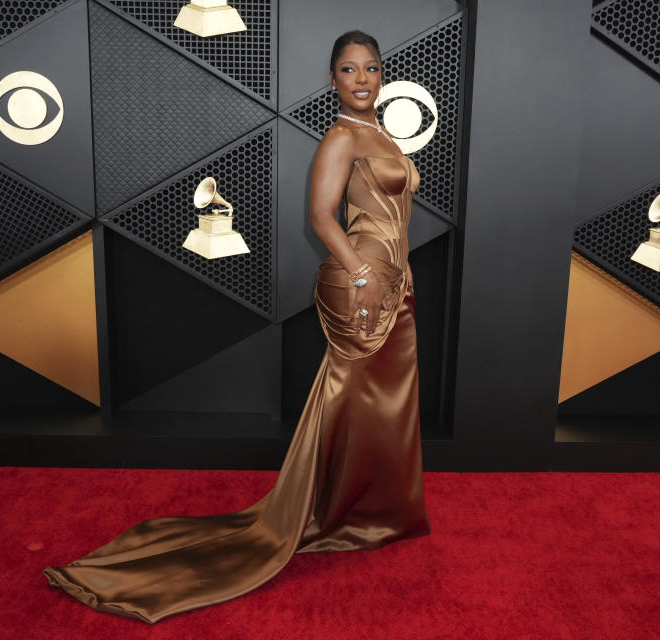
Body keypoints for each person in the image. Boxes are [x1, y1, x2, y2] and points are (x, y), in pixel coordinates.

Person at [42, 30, 430, 624]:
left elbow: (392, 215)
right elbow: (320, 217)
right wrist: (359, 275)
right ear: (333, 81)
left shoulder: (381, 135)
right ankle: (324, 513)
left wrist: (395, 274)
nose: (360, 79)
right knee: (348, 396)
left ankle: (370, 514)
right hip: (364, 288)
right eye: (348, 70)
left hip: (393, 283)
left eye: (371, 69)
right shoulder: (339, 137)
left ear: (382, 76)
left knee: (383, 404)